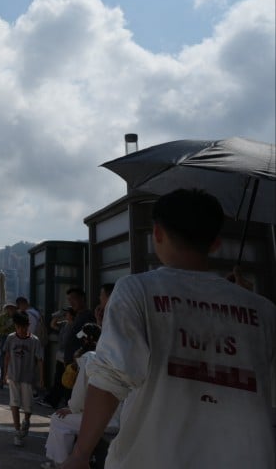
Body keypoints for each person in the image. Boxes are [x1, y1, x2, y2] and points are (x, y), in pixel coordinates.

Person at [59, 189, 276, 469]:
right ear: (216, 243)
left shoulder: (136, 290)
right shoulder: (264, 312)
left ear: (157, 233)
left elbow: (111, 378)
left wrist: (80, 454)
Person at [41, 323, 120, 468]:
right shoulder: (111, 356)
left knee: (59, 420)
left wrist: (72, 408)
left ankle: (62, 464)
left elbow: (79, 393)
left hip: (108, 421)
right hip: (118, 417)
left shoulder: (89, 357)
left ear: (86, 341)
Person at [3, 310, 44, 447]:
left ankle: (26, 421)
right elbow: (7, 356)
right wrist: (4, 374)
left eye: (24, 327)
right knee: (14, 403)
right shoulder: (11, 338)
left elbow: (39, 360)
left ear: (28, 326)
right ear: (15, 326)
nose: (21, 330)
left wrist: (41, 378)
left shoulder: (34, 341)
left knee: (28, 407)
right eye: (19, 327)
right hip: (14, 376)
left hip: (28, 378)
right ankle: (17, 431)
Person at [41, 306, 76, 408]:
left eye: (67, 313)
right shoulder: (65, 324)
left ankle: (60, 401)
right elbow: (53, 324)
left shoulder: (74, 325)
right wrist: (58, 315)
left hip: (68, 356)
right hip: (60, 356)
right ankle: (54, 400)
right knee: (58, 378)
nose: (66, 315)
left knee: (66, 380)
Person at [0, 302, 17, 389]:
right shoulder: (2, 317)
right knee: (3, 359)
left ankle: (13, 381)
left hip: (16, 339)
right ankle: (1, 379)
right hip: (5, 338)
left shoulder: (17, 317)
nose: (10, 310)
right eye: (9, 308)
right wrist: (7, 325)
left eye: (12, 308)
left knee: (15, 360)